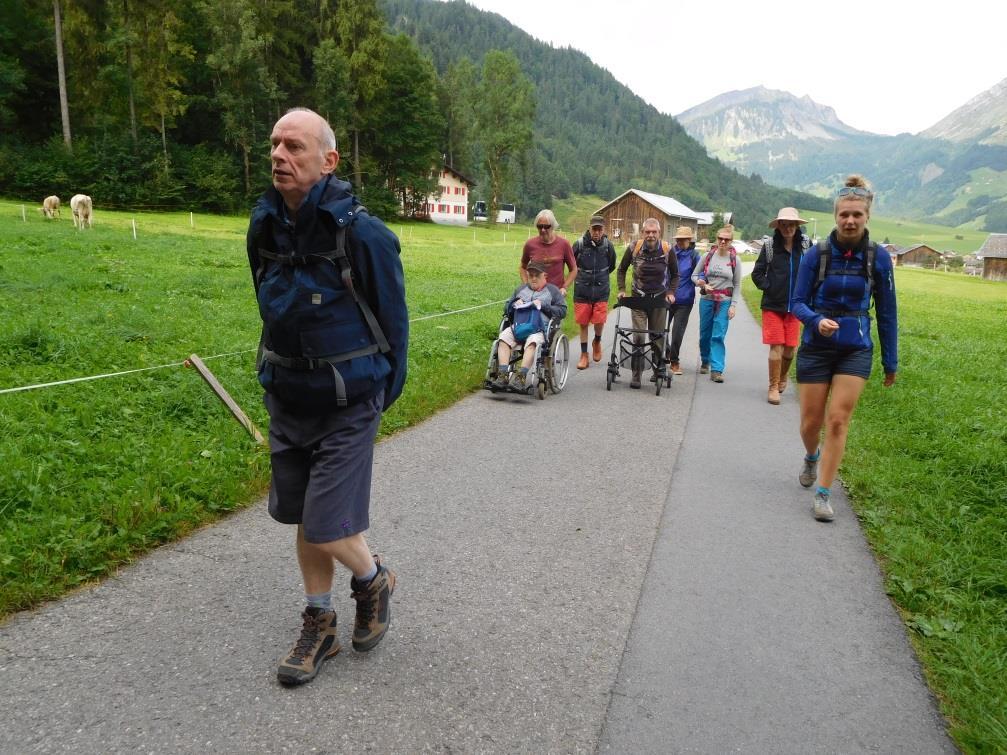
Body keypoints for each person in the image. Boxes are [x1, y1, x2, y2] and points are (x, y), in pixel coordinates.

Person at [246, 108, 408, 685]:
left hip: (348, 401)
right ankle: (322, 622)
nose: (279, 155)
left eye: (294, 146)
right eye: (274, 144)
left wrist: (377, 398)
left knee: (324, 521)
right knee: (303, 516)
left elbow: (394, 324)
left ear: (328, 160)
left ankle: (374, 579)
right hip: (288, 396)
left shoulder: (362, 233)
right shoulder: (263, 225)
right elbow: (268, 303)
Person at [792, 175, 897, 522]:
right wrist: (815, 320)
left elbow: (886, 311)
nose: (850, 221)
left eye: (857, 215)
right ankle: (811, 456)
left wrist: (890, 361)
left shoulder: (878, 258)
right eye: (844, 215)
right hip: (816, 347)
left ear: (867, 217)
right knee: (811, 423)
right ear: (836, 216)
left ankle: (823, 493)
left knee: (837, 420)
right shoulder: (816, 254)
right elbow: (796, 302)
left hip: (856, 348)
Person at [751, 208, 811, 404]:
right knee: (776, 347)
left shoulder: (805, 246)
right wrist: (770, 287)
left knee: (790, 349)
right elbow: (757, 274)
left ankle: (783, 376)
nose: (788, 228)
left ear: (797, 226)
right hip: (773, 305)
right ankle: (773, 386)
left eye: (791, 224)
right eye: (784, 224)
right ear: (778, 226)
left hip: (796, 306)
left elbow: (814, 270)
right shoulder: (769, 247)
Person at [616, 218, 678, 388]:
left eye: (654, 232)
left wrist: (671, 292)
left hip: (659, 300)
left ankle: (658, 369)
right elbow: (621, 269)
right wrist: (622, 289)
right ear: (642, 233)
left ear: (659, 233)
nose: (650, 235)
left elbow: (675, 274)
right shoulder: (634, 247)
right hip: (639, 299)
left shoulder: (667, 249)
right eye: (647, 232)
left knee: (657, 338)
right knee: (638, 337)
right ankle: (636, 375)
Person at [494, 260, 567, 390]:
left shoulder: (553, 291)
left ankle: (521, 377)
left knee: (533, 342)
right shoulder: (520, 290)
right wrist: (514, 304)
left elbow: (562, 311)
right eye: (530, 275)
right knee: (503, 337)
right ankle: (503, 375)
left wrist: (544, 305)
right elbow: (506, 310)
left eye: (536, 275)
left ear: (544, 276)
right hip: (518, 326)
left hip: (538, 329)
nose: (533, 278)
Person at [692, 224, 742, 382]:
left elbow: (737, 284)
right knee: (705, 334)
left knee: (718, 335)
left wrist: (733, 305)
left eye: (726, 240)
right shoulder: (708, 256)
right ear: (717, 239)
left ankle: (717, 369)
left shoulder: (735, 260)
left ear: (731, 241)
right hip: (707, 300)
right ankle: (705, 360)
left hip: (725, 302)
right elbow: (694, 275)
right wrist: (701, 283)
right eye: (720, 238)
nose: (723, 242)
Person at [572, 215, 617, 369]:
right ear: (589, 228)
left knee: (599, 320)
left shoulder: (608, 246)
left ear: (603, 230)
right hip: (582, 289)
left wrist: (599, 277)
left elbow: (611, 265)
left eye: (599, 229)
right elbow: (572, 265)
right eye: (594, 229)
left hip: (601, 289)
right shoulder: (578, 244)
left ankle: (597, 340)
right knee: (583, 323)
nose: (596, 232)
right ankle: (584, 354)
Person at [666, 226, 702, 376]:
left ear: (690, 240)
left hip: (684, 300)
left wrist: (702, 281)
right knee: (658, 331)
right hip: (666, 297)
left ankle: (674, 361)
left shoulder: (695, 256)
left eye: (683, 240)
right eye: (678, 239)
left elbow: (701, 273)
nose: (680, 242)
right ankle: (666, 353)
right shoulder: (670, 253)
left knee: (677, 333)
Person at [520, 209, 577, 294]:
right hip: (536, 295)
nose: (543, 230)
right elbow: (522, 267)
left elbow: (573, 269)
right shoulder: (530, 244)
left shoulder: (564, 244)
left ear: (553, 226)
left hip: (556, 295)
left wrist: (564, 287)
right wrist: (526, 285)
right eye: (539, 226)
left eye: (546, 226)